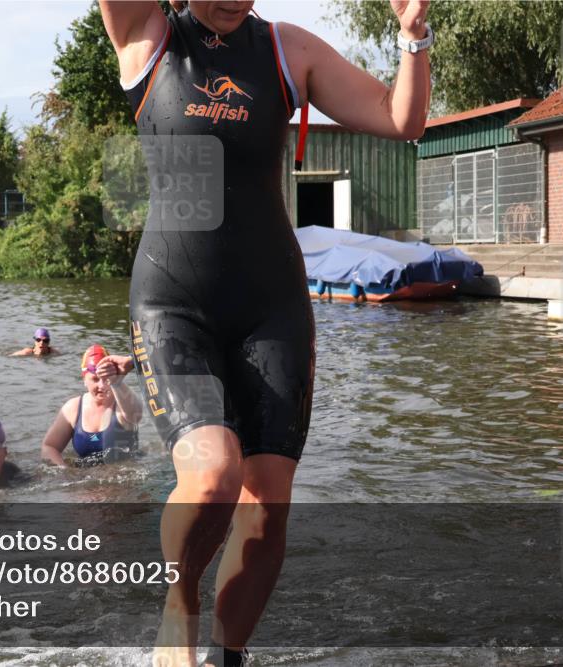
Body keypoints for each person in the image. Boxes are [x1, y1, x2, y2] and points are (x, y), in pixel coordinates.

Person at [98, 1, 431, 664]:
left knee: (267, 498)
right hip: (174, 305)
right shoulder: (149, 35)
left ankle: (230, 654)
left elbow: (404, 119)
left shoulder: (288, 50)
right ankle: (180, 596)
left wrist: (412, 39)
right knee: (215, 472)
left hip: (271, 304)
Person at [41, 345, 142, 466]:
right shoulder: (73, 408)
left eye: (106, 379)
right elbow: (50, 446)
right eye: (95, 379)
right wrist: (63, 471)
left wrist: (117, 382)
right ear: (84, 379)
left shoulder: (122, 401)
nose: (102, 385)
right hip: (85, 478)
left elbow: (136, 414)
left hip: (123, 477)